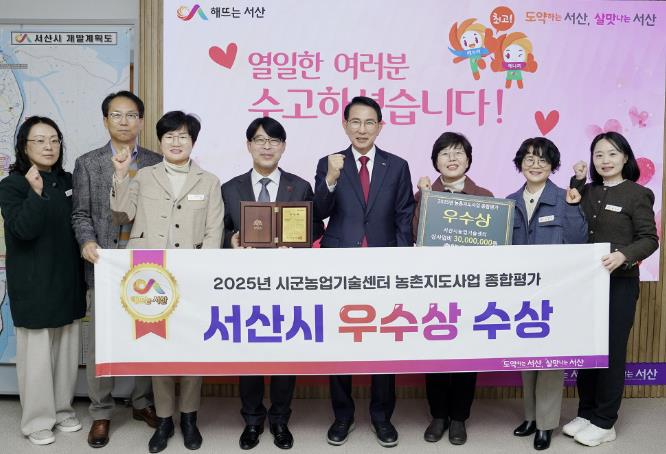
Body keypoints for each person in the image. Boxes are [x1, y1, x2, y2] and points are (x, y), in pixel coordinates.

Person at [110, 110, 224, 453]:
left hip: (191, 276)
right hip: (150, 276)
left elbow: (214, 231)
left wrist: (202, 272)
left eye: (183, 136)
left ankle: (189, 418)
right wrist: (120, 176)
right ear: (160, 141)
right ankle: (163, 420)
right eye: (169, 136)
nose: (176, 142)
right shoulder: (143, 176)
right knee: (157, 348)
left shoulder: (209, 181)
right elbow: (121, 214)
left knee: (191, 350)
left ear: (193, 142)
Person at [313, 96, 415, 448]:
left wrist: (401, 262)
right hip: (340, 264)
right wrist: (330, 178)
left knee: (383, 343)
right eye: (355, 122)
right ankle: (342, 416)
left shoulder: (397, 165)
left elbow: (404, 214)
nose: (362, 129)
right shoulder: (330, 162)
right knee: (340, 342)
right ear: (344, 125)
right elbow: (319, 213)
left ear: (380, 126)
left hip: (384, 265)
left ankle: (382, 416)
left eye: (369, 122)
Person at [221, 117, 324, 450]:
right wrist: (231, 241)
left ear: (283, 146)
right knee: (248, 354)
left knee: (284, 353)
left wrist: (297, 242)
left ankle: (280, 419)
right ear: (249, 145)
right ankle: (252, 420)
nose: (267, 147)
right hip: (245, 284)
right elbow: (220, 229)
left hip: (286, 283)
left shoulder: (300, 186)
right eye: (260, 140)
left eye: (274, 141)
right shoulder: (230, 188)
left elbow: (316, 229)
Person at [72, 91, 161, 448]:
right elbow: (80, 213)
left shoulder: (156, 161)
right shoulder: (88, 163)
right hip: (104, 264)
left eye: (131, 115)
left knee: (147, 336)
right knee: (101, 343)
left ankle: (142, 402)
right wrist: (86, 242)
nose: (124, 121)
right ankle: (101, 411)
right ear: (105, 120)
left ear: (141, 121)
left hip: (147, 266)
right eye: (116, 115)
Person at [564, 132, 658, 447]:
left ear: (625, 157)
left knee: (611, 351)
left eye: (612, 154)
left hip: (620, 283)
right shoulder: (588, 190)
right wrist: (577, 180)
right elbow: (573, 212)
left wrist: (624, 256)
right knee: (587, 350)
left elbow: (649, 239)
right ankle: (586, 413)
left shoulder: (638, 194)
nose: (605, 160)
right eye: (599, 155)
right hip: (585, 284)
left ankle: (605, 422)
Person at [0, 116, 86, 445]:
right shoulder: (13, 185)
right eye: (39, 140)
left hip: (68, 279)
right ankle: (37, 420)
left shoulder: (68, 180)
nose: (48, 146)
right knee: (36, 358)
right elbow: (23, 229)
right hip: (34, 283)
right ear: (24, 146)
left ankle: (62, 410)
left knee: (66, 353)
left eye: (54, 139)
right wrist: (35, 192)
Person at [506, 137, 587, 451]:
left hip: (555, 293)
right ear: (520, 164)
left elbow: (579, 242)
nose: (535, 165)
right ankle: (530, 416)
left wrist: (574, 207)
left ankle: (546, 423)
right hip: (521, 293)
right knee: (526, 358)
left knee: (551, 361)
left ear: (552, 165)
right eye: (529, 158)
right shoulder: (509, 202)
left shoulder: (565, 198)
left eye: (542, 159)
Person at [413, 132, 491, 446]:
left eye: (458, 153)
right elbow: (414, 234)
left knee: (465, 355)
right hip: (433, 288)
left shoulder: (485, 196)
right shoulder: (425, 193)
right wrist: (425, 197)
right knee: (435, 354)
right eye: (445, 154)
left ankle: (459, 417)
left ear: (468, 160)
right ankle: (438, 415)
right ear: (436, 161)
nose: (452, 159)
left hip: (470, 289)